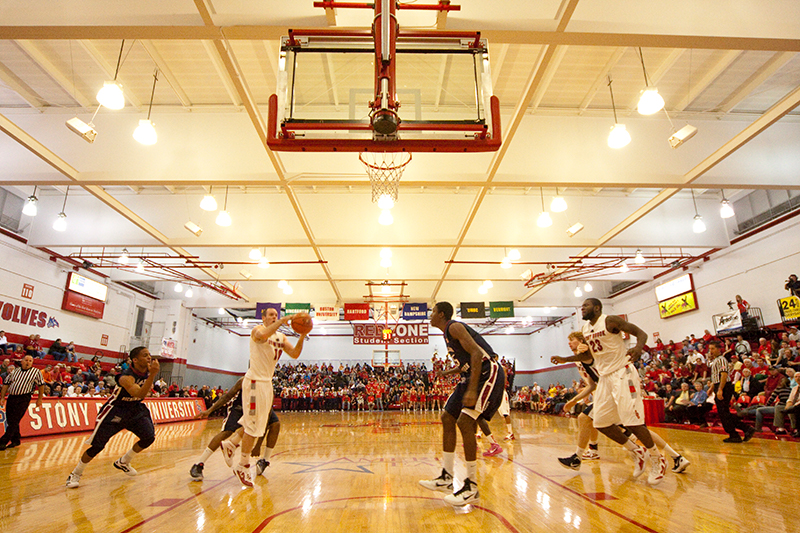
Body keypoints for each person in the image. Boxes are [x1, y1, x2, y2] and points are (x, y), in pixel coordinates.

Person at [553, 332, 689, 475]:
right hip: (607, 392)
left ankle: (583, 455)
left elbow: (598, 355)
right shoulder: (579, 361)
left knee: (588, 418)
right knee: (633, 430)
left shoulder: (591, 351)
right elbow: (592, 384)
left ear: (581, 341)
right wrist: (574, 400)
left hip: (618, 389)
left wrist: (585, 348)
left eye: (572, 340)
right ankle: (676, 456)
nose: (569, 343)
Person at [571, 298, 666, 485]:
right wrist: (583, 350)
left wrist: (638, 348)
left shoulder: (610, 321)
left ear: (597, 308)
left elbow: (641, 333)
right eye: (581, 306)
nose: (582, 308)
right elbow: (594, 354)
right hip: (605, 377)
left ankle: (657, 459)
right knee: (600, 422)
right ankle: (637, 451)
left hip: (623, 373)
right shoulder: (585, 330)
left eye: (586, 306)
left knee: (632, 421)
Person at [419, 301, 505, 507]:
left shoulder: (454, 327)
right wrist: (447, 372)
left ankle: (472, 487)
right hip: (470, 373)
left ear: (441, 314)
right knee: (447, 417)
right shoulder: (447, 334)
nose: (429, 316)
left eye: (432, 312)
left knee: (466, 422)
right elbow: (466, 362)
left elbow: (477, 354)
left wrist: (473, 389)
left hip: (487, 372)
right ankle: (447, 477)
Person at [65, 347, 160, 488]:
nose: (149, 358)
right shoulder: (125, 377)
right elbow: (140, 394)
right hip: (116, 410)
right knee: (97, 446)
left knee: (149, 437)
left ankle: (124, 461)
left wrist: (151, 374)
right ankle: (75, 474)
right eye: (145, 355)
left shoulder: (147, 370)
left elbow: (141, 396)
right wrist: (152, 375)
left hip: (135, 409)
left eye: (149, 355)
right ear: (134, 360)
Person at [232, 307, 306, 487]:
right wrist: (281, 322)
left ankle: (232, 443)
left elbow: (295, 354)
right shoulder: (257, 330)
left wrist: (303, 335)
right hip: (255, 380)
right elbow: (263, 336)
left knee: (259, 422)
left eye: (277, 315)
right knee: (254, 426)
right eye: (271, 315)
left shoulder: (281, 337)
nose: (274, 317)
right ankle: (243, 465)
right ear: (263, 317)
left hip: (267, 382)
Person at [190, 377, 280, 481]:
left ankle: (265, 460)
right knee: (226, 432)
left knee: (275, 424)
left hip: (256, 408)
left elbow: (266, 418)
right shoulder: (244, 380)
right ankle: (199, 464)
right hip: (240, 407)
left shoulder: (267, 386)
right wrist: (209, 411)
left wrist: (258, 445)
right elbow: (227, 396)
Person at [708, 340, 755, 443]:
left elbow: (724, 375)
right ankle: (738, 432)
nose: (710, 351)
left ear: (719, 349)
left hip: (724, 386)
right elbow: (716, 376)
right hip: (719, 385)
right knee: (724, 413)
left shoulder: (721, 360)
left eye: (713, 349)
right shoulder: (715, 360)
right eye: (710, 349)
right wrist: (712, 387)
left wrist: (720, 389)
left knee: (724, 413)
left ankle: (741, 431)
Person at [0, 355, 44, 450]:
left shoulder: (36, 372)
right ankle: (16, 440)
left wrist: (39, 399)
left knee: (15, 419)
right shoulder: (15, 371)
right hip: (12, 397)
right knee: (10, 419)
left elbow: (41, 385)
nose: (28, 362)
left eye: (30, 361)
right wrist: (2, 397)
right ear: (22, 361)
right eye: (26, 360)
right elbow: (6, 384)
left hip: (24, 397)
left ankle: (3, 441)